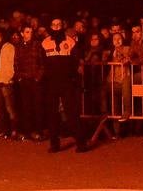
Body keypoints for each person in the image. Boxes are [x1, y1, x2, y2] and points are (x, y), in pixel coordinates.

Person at [41, 17, 88, 153]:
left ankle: (81, 143)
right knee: (52, 114)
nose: (56, 27)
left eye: (58, 25)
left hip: (67, 82)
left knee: (72, 112)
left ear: (62, 26)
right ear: (50, 26)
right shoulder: (44, 43)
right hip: (52, 83)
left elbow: (76, 62)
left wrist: (75, 78)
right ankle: (54, 144)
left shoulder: (70, 42)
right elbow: (43, 63)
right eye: (54, 25)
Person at [13, 24, 45, 141]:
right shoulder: (18, 46)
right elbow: (16, 63)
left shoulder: (37, 45)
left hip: (35, 79)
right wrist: (20, 78)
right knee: (26, 107)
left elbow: (42, 63)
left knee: (38, 106)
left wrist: (38, 77)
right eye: (27, 32)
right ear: (22, 34)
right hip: (24, 80)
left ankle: (38, 131)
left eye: (31, 32)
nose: (29, 34)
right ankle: (28, 131)